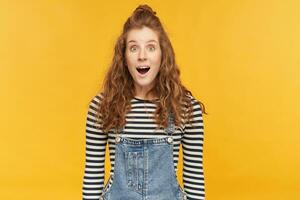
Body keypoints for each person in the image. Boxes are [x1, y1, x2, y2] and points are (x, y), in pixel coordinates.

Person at [82, 4, 207, 200]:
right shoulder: (101, 107)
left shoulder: (186, 108)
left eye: (151, 47)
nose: (142, 56)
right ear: (123, 57)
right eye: (133, 48)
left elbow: (194, 180)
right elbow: (93, 176)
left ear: (162, 55)